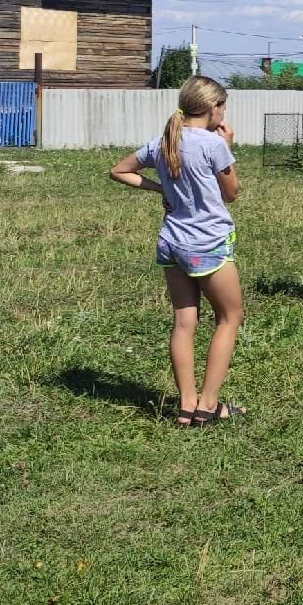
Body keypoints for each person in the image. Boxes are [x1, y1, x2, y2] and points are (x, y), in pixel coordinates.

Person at [109, 76, 246, 427]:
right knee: (229, 318)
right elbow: (231, 193)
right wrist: (229, 146)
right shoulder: (213, 144)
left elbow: (119, 170)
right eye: (223, 106)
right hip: (207, 243)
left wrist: (161, 191)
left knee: (184, 322)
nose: (224, 113)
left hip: (172, 241)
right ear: (213, 107)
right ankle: (208, 405)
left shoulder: (163, 141)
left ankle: (186, 406)